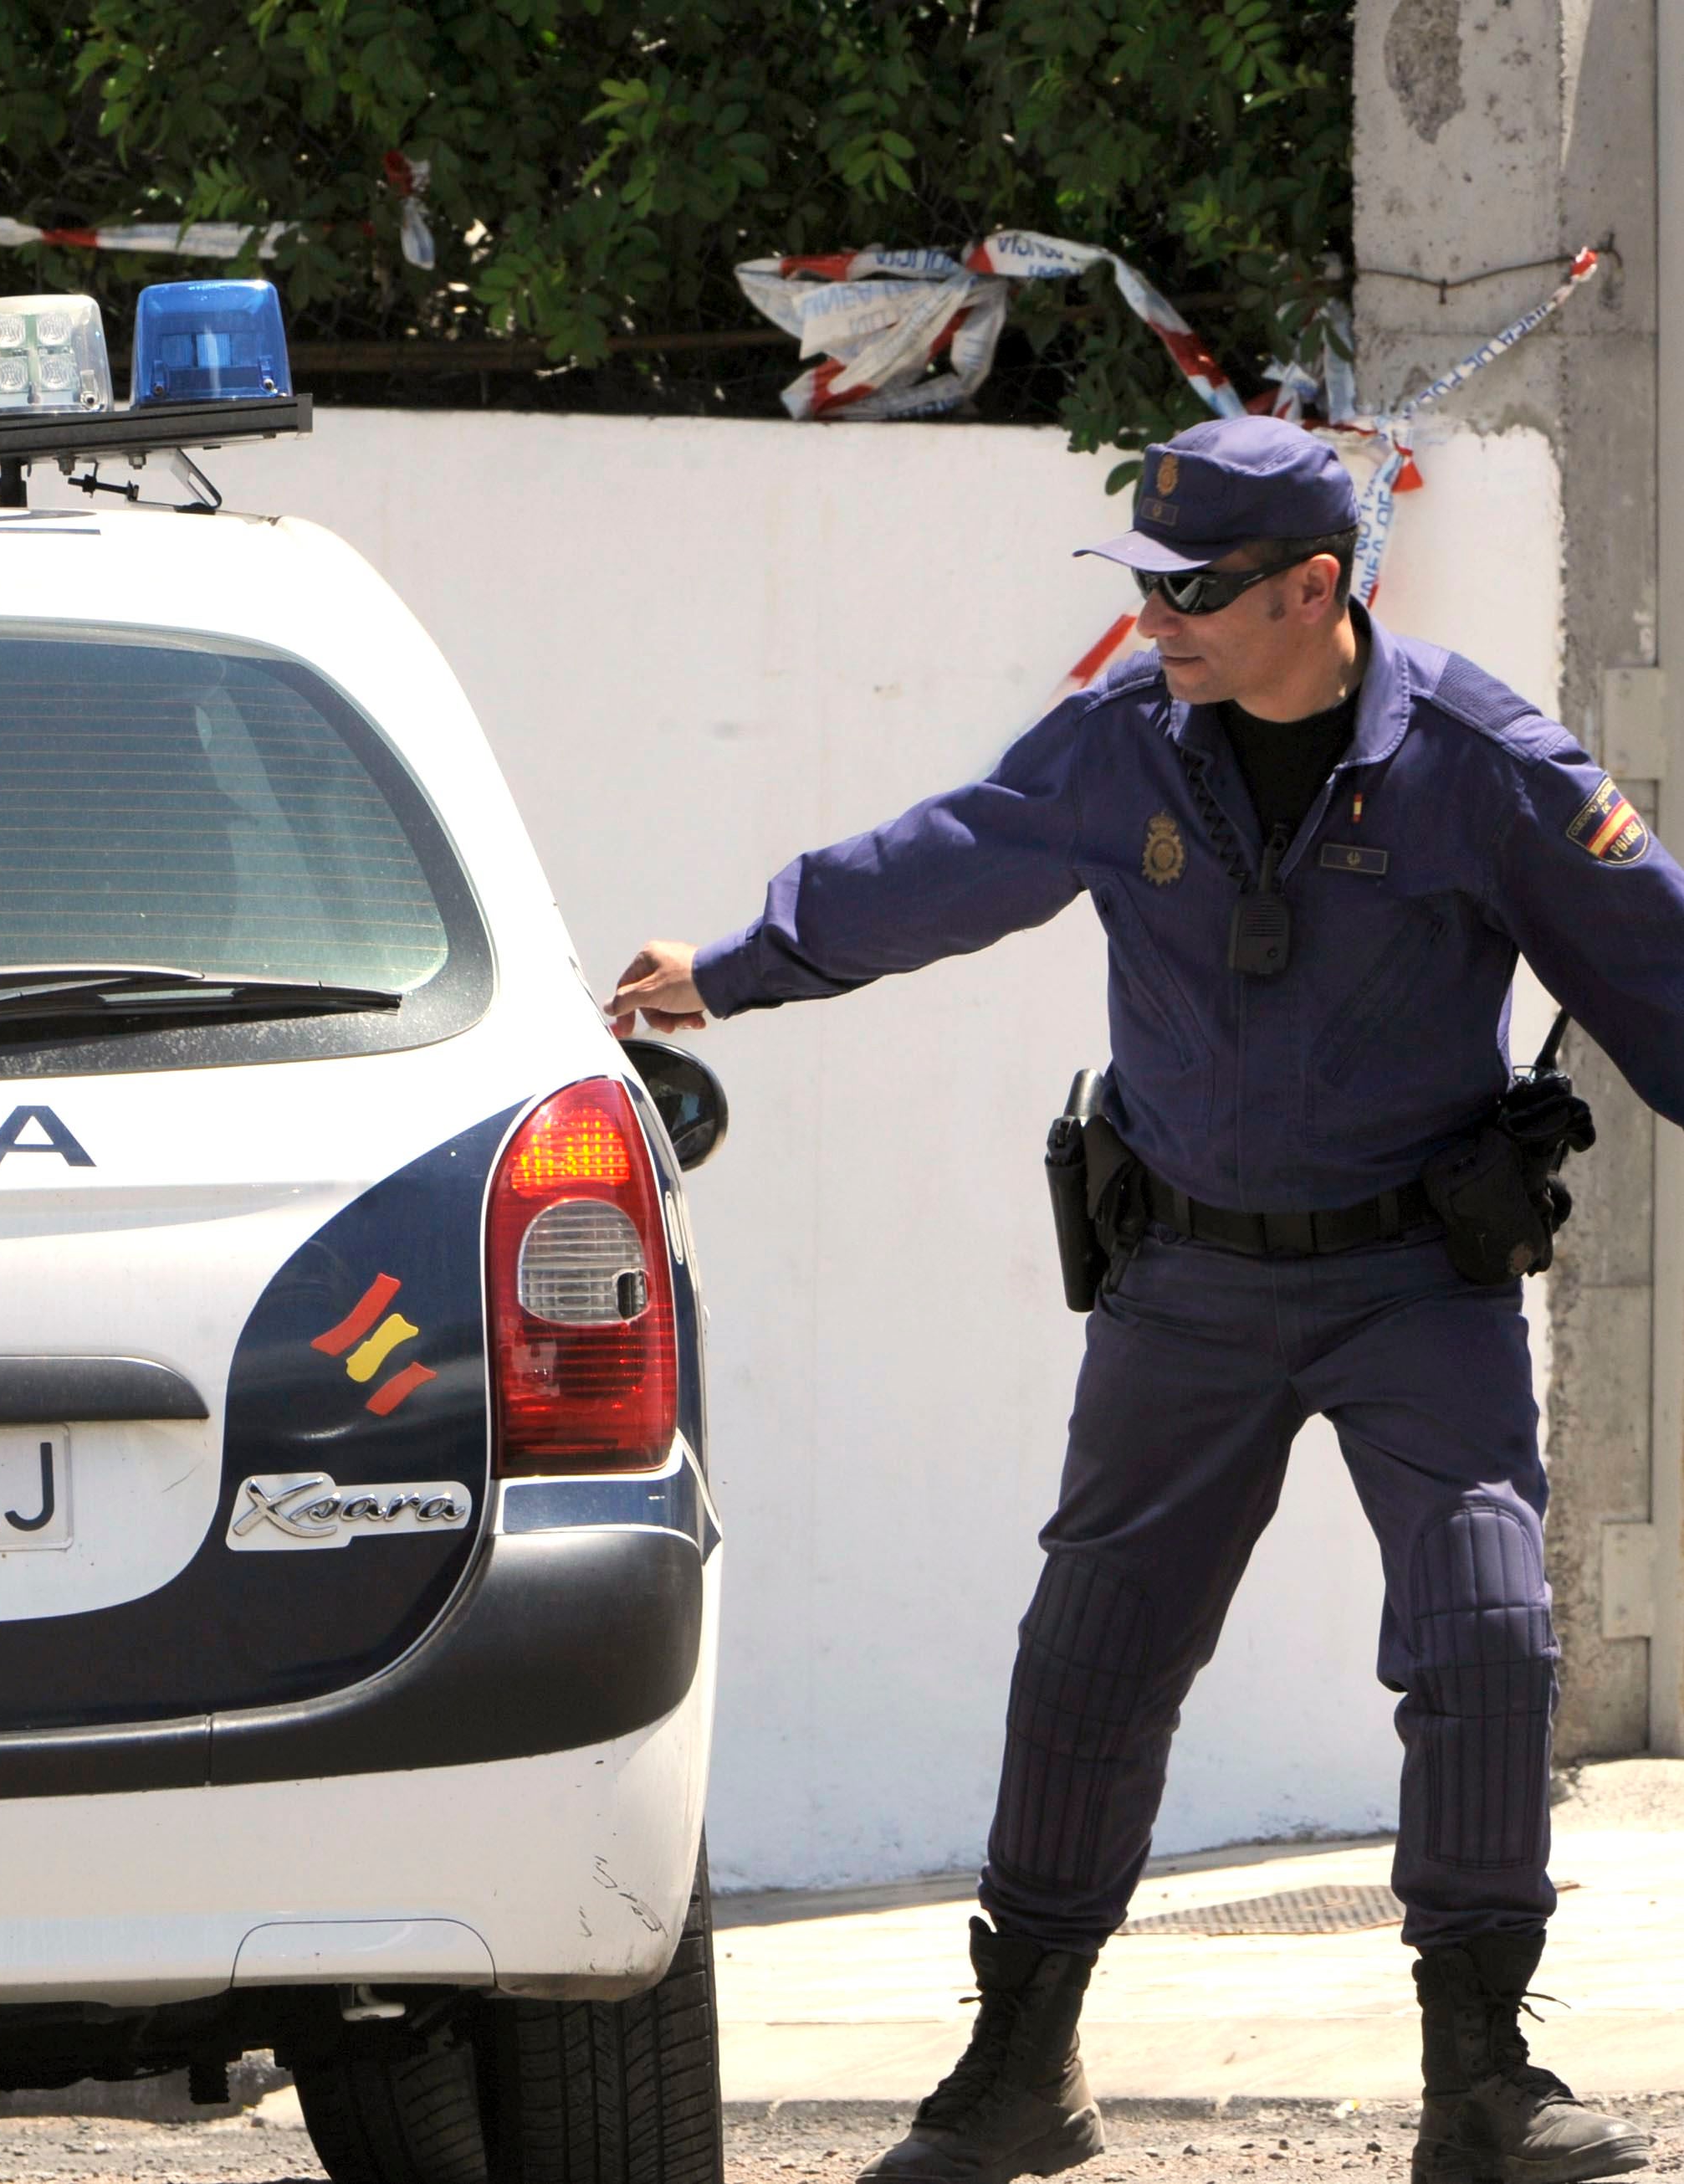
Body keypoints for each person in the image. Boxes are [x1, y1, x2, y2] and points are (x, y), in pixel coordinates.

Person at [612, 416, 1681, 2184]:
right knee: (1092, 1663)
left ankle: (1484, 2080)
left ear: (1311, 589)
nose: (1157, 620)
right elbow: (944, 859)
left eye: (1190, 591)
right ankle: (1014, 2068)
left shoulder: (1482, 765)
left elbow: (1656, 963)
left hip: (1414, 1283)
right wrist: (736, 969)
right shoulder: (1125, 748)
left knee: (1485, 1635)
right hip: (1181, 1281)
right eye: (1144, 586)